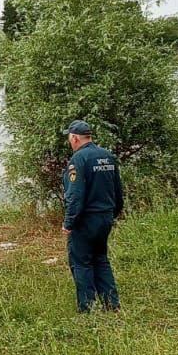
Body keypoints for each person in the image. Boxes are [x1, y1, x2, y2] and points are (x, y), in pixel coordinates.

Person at [61, 119, 124, 312]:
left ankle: (88, 308)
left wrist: (69, 223)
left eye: (69, 138)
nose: (70, 142)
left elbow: (75, 195)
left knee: (81, 262)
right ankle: (111, 304)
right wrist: (113, 213)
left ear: (74, 138)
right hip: (105, 217)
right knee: (101, 259)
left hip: (85, 220)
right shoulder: (107, 156)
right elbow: (118, 191)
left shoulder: (79, 160)